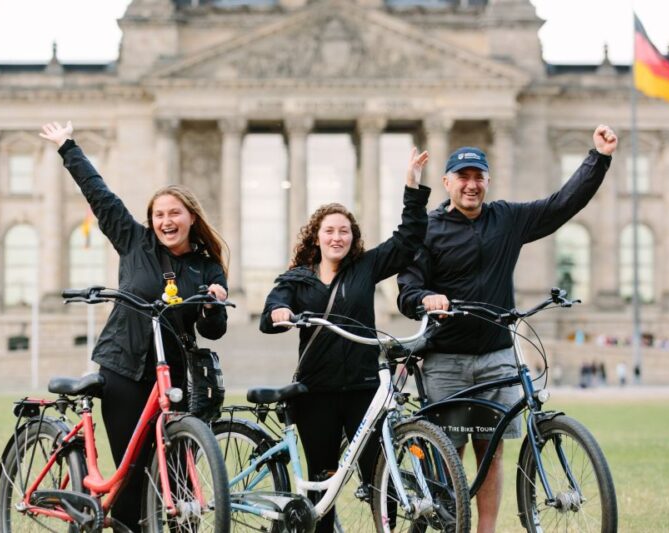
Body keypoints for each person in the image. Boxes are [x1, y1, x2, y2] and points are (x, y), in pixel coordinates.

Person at [397, 125, 618, 533]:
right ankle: (448, 523)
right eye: (462, 177)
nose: (471, 184)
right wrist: (424, 300)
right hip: (445, 360)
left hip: (498, 355)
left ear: (487, 181)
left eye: (478, 176)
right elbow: (407, 289)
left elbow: (560, 206)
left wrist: (598, 158)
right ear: (447, 182)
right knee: (448, 453)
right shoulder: (428, 229)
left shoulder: (507, 218)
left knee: (491, 452)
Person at [40, 121, 229, 532]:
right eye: (159, 214)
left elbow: (214, 330)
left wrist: (214, 305)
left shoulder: (207, 267)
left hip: (174, 374)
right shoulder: (133, 241)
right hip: (123, 369)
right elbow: (100, 196)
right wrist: (67, 147)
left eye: (174, 213)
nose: (166, 221)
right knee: (132, 476)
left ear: (191, 218)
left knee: (177, 475)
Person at [260, 148, 431, 533]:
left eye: (344, 231)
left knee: (378, 474)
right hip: (315, 391)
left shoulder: (365, 268)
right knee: (323, 482)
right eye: (329, 230)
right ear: (316, 237)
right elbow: (273, 309)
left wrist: (412, 188)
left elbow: (407, 241)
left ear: (352, 238)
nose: (337, 237)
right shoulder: (296, 279)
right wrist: (279, 313)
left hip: (363, 388)